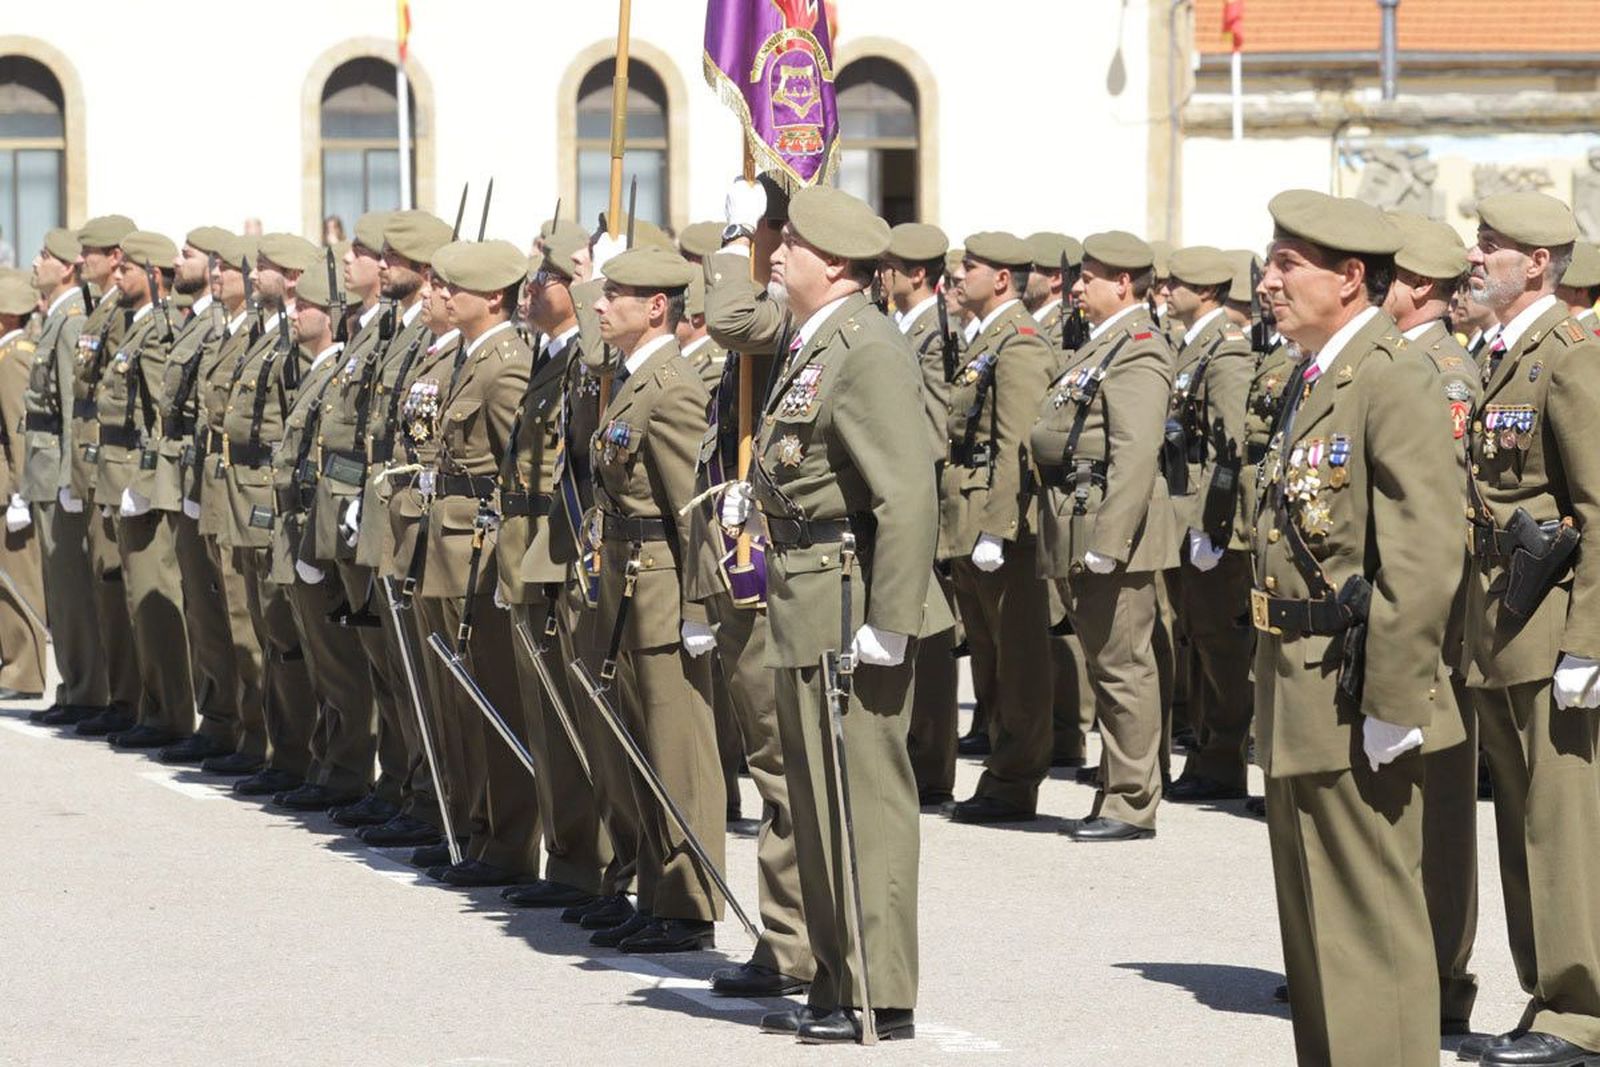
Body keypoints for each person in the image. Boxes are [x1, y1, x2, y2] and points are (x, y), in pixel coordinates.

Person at [713, 184, 940, 1043]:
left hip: (851, 598)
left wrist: (893, 619)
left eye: (792, 245)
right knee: (814, 798)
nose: (775, 254)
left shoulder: (865, 345)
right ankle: (838, 976)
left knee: (864, 802)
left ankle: (882, 989)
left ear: (836, 262)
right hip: (806, 592)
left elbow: (906, 494)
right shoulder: (820, 342)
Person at [1253, 190, 1464, 1065]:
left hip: (1353, 691)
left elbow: (1421, 555)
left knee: (1368, 927)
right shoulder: (1320, 373)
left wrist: (1391, 701)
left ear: (1349, 277)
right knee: (1319, 941)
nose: (1267, 281)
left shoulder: (1393, 373)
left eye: (1286, 264)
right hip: (1299, 685)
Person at [1458, 192, 1600, 1067]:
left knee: (1562, 825)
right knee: (1519, 821)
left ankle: (1582, 1013)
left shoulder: (1572, 358)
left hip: (1550, 630)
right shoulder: (1501, 353)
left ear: (1538, 263)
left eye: (1492, 246)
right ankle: (1545, 989)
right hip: (1500, 623)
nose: (1477, 259)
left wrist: (1588, 641)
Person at [586, 244, 726, 953]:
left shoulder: (670, 385)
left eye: (616, 294)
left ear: (657, 307)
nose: (600, 304)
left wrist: (701, 607)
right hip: (625, 577)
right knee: (638, 740)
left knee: (678, 746)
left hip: (664, 582)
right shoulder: (631, 376)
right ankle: (655, 889)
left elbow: (692, 505)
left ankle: (690, 901)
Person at [1031, 231, 1176, 842]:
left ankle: (1131, 801)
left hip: (1110, 529)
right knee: (1107, 664)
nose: (1076, 287)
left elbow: (1135, 454)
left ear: (1123, 283)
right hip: (1079, 517)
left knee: (1124, 668)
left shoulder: (1138, 347)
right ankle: (1116, 785)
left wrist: (1109, 543)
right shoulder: (1103, 343)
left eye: (1088, 277)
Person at [941, 232, 1055, 824]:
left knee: (1018, 661)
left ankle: (1015, 782)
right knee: (987, 656)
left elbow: (1017, 443)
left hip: (999, 523)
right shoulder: (985, 338)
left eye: (972, 267)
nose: (959, 275)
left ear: (1003, 280)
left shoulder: (1021, 343)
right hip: (968, 515)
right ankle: (1000, 771)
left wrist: (997, 527)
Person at [94, 230, 195, 749]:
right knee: (136, 598)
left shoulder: (156, 331)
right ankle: (153, 708)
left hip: (142, 480)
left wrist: (146, 481)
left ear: (153, 274)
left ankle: (171, 711)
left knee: (154, 601)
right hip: (122, 476)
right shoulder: (136, 327)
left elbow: (163, 415)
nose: (117, 275)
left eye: (127, 268)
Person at [1161, 245, 1255, 803]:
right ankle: (1204, 753)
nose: (1168, 290)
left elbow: (1231, 446)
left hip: (1210, 518)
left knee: (1220, 645)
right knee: (1198, 637)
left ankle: (1221, 761)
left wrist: (1211, 524)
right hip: (1188, 509)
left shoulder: (1226, 353)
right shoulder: (1195, 346)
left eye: (1178, 283)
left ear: (1207, 292)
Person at [877, 222, 959, 807]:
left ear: (918, 275)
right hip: (905, 488)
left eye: (892, 267)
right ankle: (921, 753)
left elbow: (932, 430)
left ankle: (932, 764)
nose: (882, 275)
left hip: (920, 494)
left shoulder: (933, 332)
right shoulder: (905, 325)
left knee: (928, 633)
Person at [22, 227, 108, 723]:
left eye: (45, 255)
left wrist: (71, 479)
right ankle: (75, 688)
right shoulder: (56, 318)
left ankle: (86, 690)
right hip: (46, 463)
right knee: (61, 585)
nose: (37, 263)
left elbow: (74, 405)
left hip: (60, 465)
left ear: (68, 267)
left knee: (72, 588)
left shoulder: (72, 320)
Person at [0, 270, 46, 697]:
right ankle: (12, 663)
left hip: (8, 488)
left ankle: (26, 671)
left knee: (18, 583)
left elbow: (18, 430)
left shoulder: (14, 356)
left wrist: (18, 493)